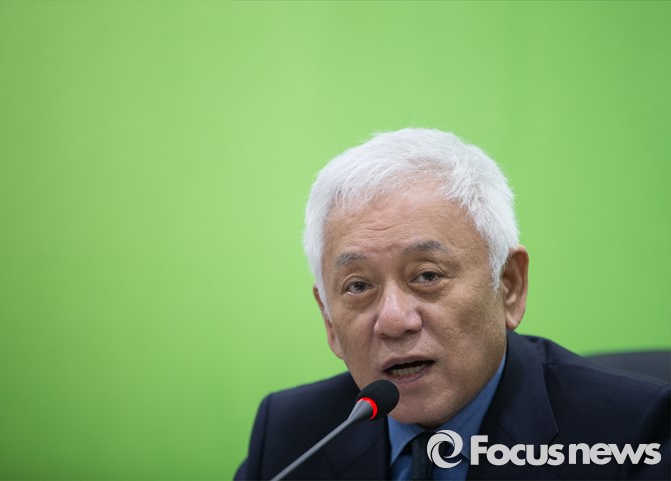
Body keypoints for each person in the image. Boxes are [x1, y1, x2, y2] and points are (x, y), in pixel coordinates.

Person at [235, 128, 670, 480]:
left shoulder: (631, 436)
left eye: (427, 276)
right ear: (329, 320)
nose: (394, 321)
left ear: (509, 286)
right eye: (358, 286)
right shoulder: (291, 435)